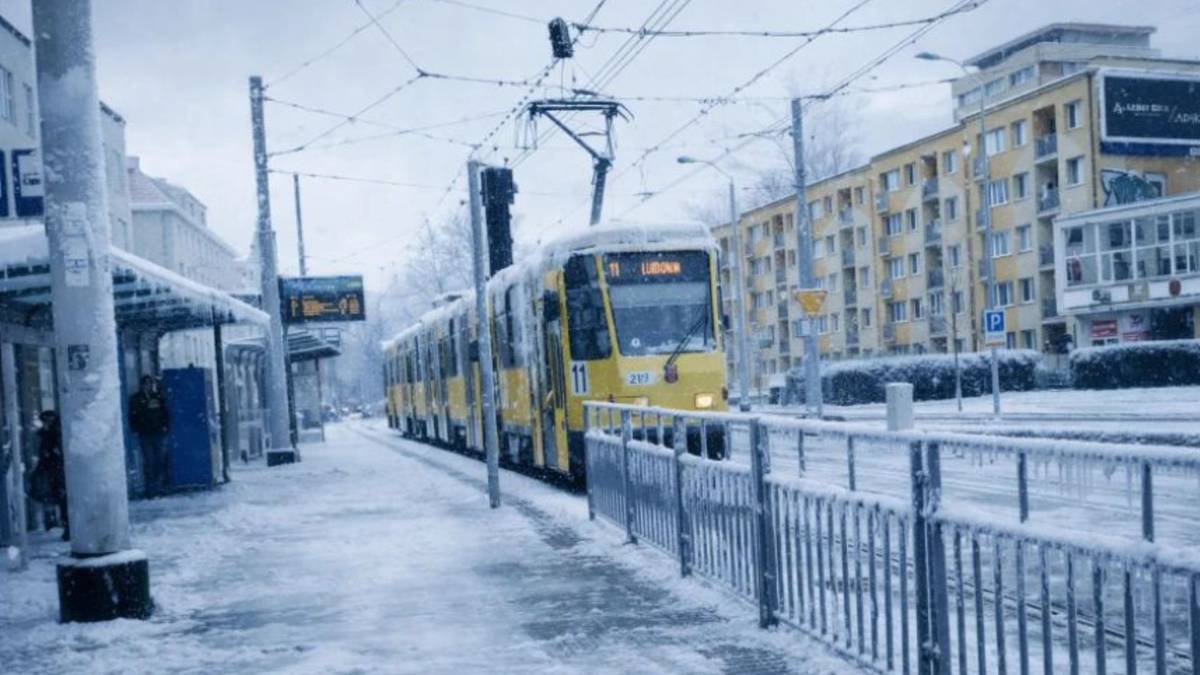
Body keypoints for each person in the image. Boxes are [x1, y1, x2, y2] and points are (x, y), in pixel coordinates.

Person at [129, 375, 170, 497]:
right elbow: (133, 416)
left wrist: (165, 427)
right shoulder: (136, 399)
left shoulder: (157, 397)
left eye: (150, 384)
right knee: (149, 461)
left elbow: (165, 413)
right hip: (145, 434)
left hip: (158, 433)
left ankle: (159, 487)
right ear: (141, 385)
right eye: (145, 384)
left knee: (160, 461)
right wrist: (136, 428)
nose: (148, 386)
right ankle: (150, 489)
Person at [32, 410, 68, 540]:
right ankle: (59, 524)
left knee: (62, 499)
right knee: (60, 499)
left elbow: (49, 453)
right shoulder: (49, 434)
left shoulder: (53, 434)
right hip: (55, 470)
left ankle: (63, 525)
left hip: (56, 470)